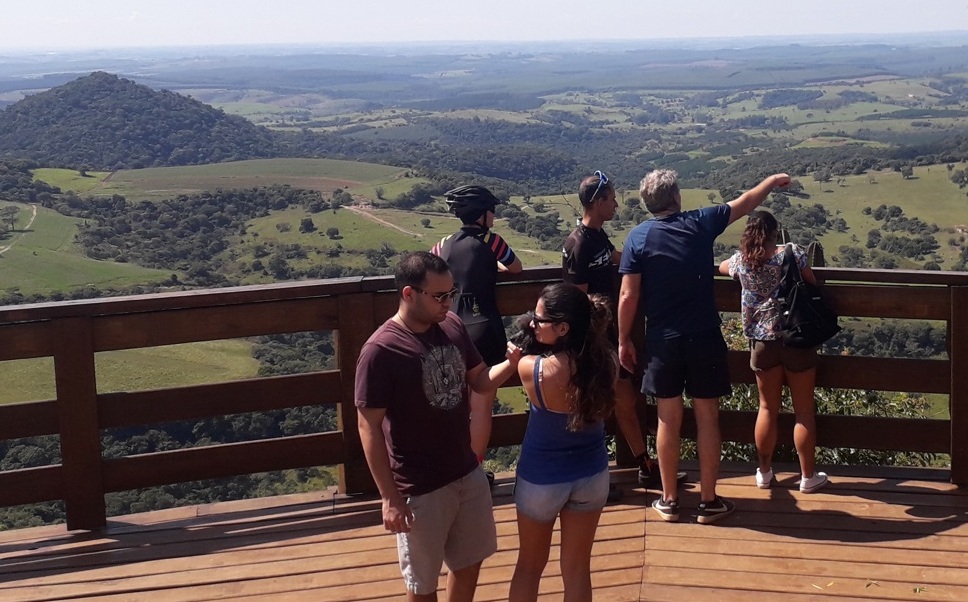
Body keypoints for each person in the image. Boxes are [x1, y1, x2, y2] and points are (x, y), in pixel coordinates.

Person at [617, 169, 791, 524]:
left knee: (668, 417)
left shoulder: (638, 237)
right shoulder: (699, 222)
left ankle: (668, 500)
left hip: (662, 339)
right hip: (703, 334)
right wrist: (772, 181)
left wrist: (623, 339)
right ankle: (709, 501)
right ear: (677, 197)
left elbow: (628, 294)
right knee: (707, 416)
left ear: (649, 203)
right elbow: (746, 203)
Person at [355, 251, 522, 601]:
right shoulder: (380, 350)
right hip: (420, 487)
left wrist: (510, 364)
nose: (449, 303)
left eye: (452, 294)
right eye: (440, 296)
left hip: (465, 471)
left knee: (470, 562)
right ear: (408, 294)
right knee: (423, 583)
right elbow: (367, 427)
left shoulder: (452, 326)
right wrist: (390, 498)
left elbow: (479, 381)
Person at [562, 170, 686, 490]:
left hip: (607, 338)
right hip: (594, 342)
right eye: (612, 199)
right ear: (598, 202)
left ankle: (644, 465)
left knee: (624, 400)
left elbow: (619, 259)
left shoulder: (596, 237)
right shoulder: (578, 245)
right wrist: (594, 345)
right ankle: (594, 474)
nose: (616, 204)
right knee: (603, 404)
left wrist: (656, 260)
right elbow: (577, 300)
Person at [508, 282, 617, 602]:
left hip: (541, 479)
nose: (532, 323)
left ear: (563, 327)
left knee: (529, 567)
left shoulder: (534, 369)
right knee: (578, 568)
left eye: (539, 320)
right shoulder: (606, 361)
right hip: (592, 476)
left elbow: (526, 352)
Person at [719, 210, 829, 493]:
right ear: (774, 232)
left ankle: (765, 472)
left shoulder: (741, 261)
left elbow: (722, 267)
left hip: (762, 343)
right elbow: (811, 282)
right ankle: (807, 477)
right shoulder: (791, 253)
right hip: (796, 338)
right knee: (803, 412)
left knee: (767, 408)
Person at [432, 184, 522, 472]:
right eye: (491, 211)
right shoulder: (491, 241)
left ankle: (449, 467)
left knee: (450, 405)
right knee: (481, 406)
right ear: (481, 215)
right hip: (484, 328)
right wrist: (492, 268)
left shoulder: (442, 244)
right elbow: (516, 267)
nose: (494, 215)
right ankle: (475, 470)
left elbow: (431, 273)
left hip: (447, 329)